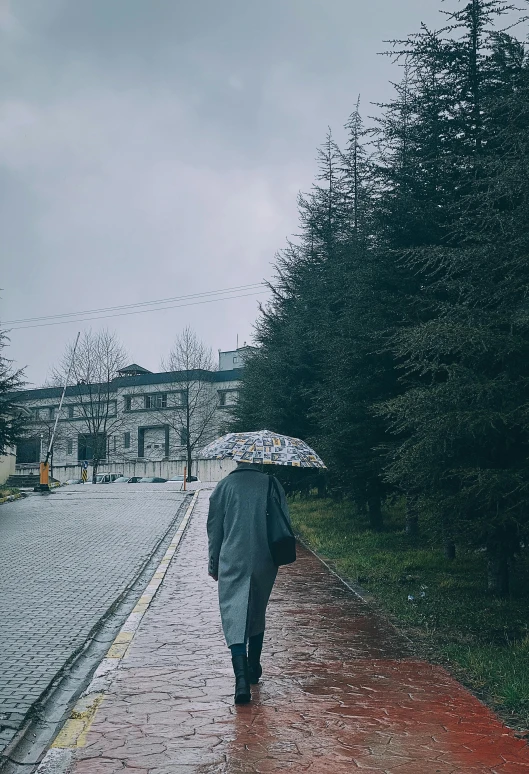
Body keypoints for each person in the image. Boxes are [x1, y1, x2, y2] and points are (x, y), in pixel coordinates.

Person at [207, 461, 290, 704]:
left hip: (232, 558)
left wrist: (214, 565)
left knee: (234, 613)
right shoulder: (271, 483)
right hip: (265, 559)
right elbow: (284, 519)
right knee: (257, 610)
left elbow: (214, 531)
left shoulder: (223, 487)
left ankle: (241, 680)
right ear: (259, 460)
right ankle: (253, 666)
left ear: (238, 459)